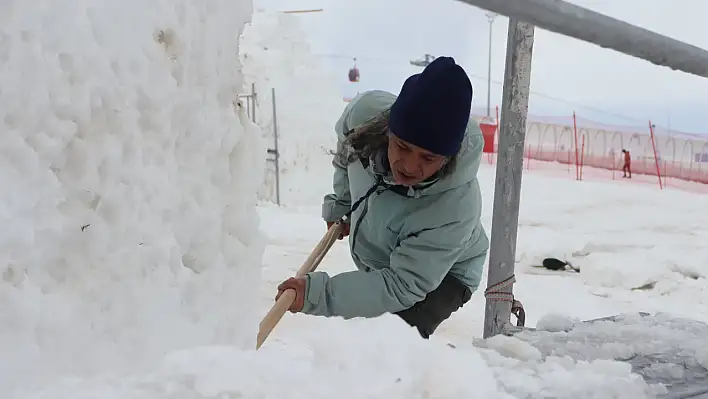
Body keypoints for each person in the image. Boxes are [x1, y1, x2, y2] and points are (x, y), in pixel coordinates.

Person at [275, 57, 489, 339]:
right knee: (368, 335)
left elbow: (401, 284)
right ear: (388, 130)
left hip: (443, 273)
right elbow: (346, 152)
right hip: (384, 251)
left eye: (428, 158)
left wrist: (317, 294)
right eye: (402, 146)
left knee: (389, 345)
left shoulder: (455, 206)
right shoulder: (363, 117)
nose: (409, 167)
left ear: (448, 158)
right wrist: (342, 202)